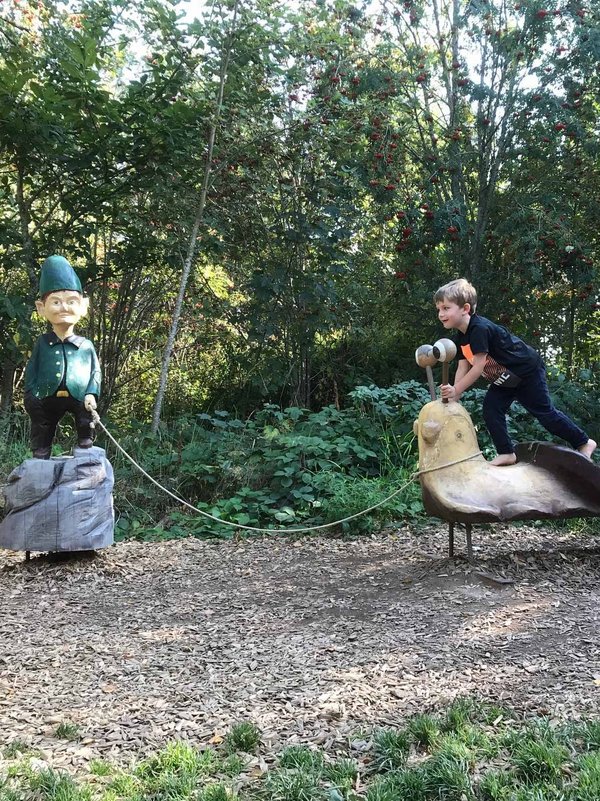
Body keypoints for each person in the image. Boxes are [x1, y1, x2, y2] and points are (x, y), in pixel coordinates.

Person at [434, 277, 596, 466]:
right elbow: (463, 366)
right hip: (505, 379)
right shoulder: (461, 336)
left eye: (446, 308)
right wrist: (454, 394)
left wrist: (457, 390)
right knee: (491, 409)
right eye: (438, 309)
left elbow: (478, 366)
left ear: (465, 309)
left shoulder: (479, 329)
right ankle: (506, 453)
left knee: (545, 414)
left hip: (527, 372)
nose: (440, 313)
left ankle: (584, 442)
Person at [24, 255, 101, 459]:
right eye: (56, 302)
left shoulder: (85, 345)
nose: (64, 307)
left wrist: (91, 393)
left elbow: (95, 372)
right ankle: (41, 451)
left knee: (85, 420)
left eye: (71, 301)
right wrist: (30, 394)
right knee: (42, 425)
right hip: (45, 393)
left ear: (83, 306)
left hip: (79, 395)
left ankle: (85, 442)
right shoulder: (43, 343)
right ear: (41, 307)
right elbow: (32, 370)